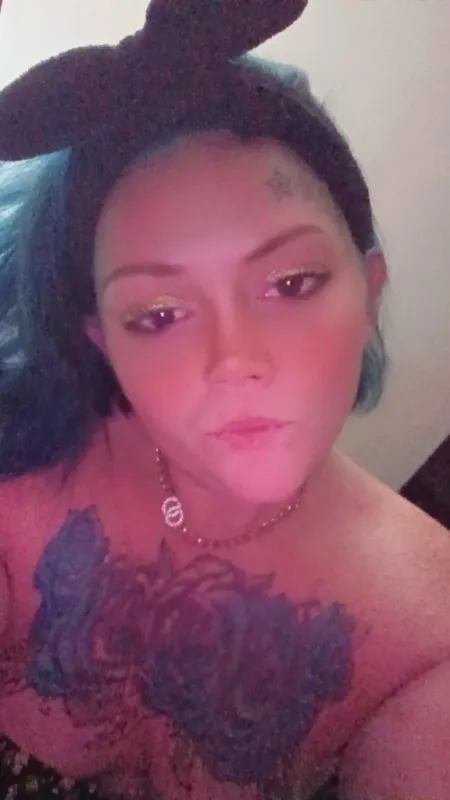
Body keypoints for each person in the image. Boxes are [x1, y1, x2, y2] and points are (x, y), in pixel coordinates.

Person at [0, 1, 449, 798]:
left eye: (292, 282)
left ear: (370, 291)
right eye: (158, 315)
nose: (234, 361)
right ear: (102, 341)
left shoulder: (427, 644)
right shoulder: (19, 472)